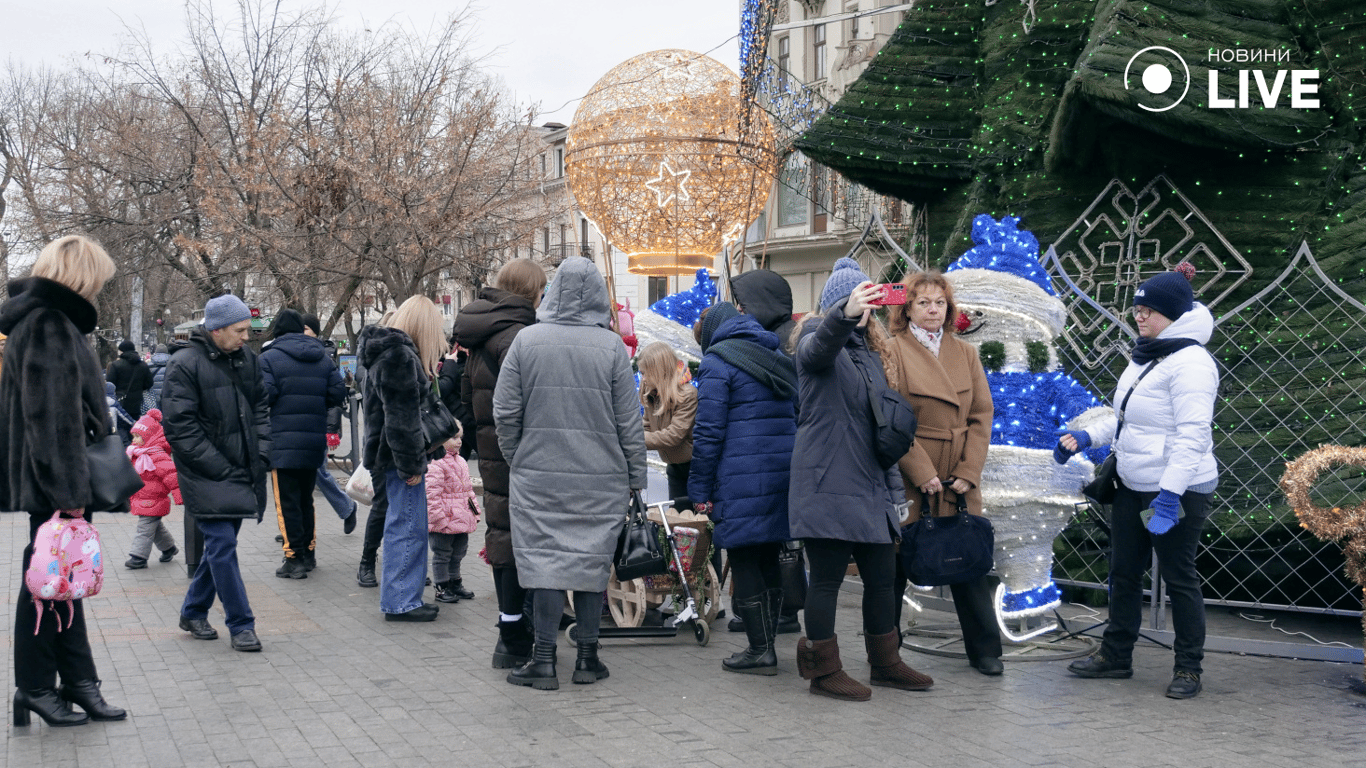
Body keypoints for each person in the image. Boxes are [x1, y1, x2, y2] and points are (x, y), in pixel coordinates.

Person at [1056, 267, 1218, 699]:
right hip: (1132, 482)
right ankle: (1116, 655)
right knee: (1124, 572)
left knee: (1179, 576)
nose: (1139, 317)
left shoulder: (1192, 363)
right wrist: (1090, 436)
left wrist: (1169, 494)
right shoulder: (1149, 352)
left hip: (1175, 489)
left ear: (1173, 313)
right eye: (1137, 309)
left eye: (1147, 310)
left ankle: (1188, 668)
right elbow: (1129, 416)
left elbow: (1193, 436)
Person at [494, 256, 647, 690]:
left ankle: (543, 661)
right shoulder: (612, 348)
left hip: (538, 477)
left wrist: (518, 457)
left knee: (545, 564)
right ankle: (587, 660)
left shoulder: (527, 341)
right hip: (601, 479)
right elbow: (628, 422)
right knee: (589, 563)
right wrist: (635, 476)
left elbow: (504, 412)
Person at [788, 257, 932, 702]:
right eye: (858, 303)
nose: (866, 312)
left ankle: (886, 662)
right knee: (827, 578)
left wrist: (894, 492)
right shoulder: (816, 340)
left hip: (869, 485)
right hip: (827, 480)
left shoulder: (869, 354)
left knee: (883, 576)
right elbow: (818, 349)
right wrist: (844, 314)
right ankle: (824, 671)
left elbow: (879, 427)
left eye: (868, 303)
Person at [0, 234, 126, 726]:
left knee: (60, 583)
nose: (99, 288)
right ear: (82, 275)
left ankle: (75, 683)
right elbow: (51, 418)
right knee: (45, 586)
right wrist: (70, 494)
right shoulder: (51, 324)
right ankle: (35, 687)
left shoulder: (46, 321)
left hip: (51, 480)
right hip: (56, 481)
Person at [884, 270, 1002, 675]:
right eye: (923, 303)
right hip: (912, 470)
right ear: (908, 309)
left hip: (958, 472)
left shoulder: (965, 352)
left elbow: (981, 415)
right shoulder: (892, 349)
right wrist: (921, 471)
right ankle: (887, 652)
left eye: (939, 303)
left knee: (968, 558)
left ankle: (986, 650)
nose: (932, 309)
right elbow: (890, 419)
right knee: (898, 566)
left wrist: (970, 470)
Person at [688, 302, 798, 676]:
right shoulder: (774, 353)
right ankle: (766, 644)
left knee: (746, 557)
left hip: (740, 476)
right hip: (782, 472)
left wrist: (699, 488)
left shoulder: (718, 362)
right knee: (768, 555)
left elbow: (708, 432)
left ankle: (759, 649)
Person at [164, 293, 271, 653]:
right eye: (240, 330)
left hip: (243, 470)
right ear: (217, 329)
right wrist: (222, 467)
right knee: (222, 545)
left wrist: (261, 453)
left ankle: (193, 611)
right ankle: (241, 624)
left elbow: (261, 408)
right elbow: (181, 429)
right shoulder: (184, 364)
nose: (246, 336)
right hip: (205, 473)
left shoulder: (247, 360)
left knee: (218, 548)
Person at [452, 258, 545, 668]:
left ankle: (510, 632)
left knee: (502, 534)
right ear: (532, 292)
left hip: (492, 454)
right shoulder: (519, 336)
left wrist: (483, 446)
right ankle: (517, 636)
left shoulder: (479, 333)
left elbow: (465, 401)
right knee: (523, 540)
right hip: (521, 453)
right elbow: (527, 402)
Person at [729, 269, 806, 635]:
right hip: (781, 455)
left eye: (744, 303)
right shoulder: (779, 335)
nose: (740, 310)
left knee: (774, 549)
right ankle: (773, 614)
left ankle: (775, 617)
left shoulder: (782, 341)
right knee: (777, 545)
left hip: (775, 456)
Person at [362, 295, 447, 622]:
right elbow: (401, 418)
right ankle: (401, 600)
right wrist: (411, 464)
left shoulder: (384, 351)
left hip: (385, 455)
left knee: (404, 525)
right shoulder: (399, 356)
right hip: (396, 458)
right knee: (408, 527)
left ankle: (401, 597)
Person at [260, 309, 345, 578]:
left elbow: (266, 395)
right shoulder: (322, 357)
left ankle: (293, 557)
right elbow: (337, 393)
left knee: (287, 503)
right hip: (313, 440)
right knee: (306, 499)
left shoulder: (268, 358)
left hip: (282, 441)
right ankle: (309, 553)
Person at [301, 313, 358, 533]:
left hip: (316, 425)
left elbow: (336, 396)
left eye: (305, 328)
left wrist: (331, 428)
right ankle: (294, 522)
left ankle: (347, 507)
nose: (301, 332)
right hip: (299, 425)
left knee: (318, 473)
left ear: (314, 331)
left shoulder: (323, 356)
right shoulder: (299, 352)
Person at [638, 341, 696, 500]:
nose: (642, 379)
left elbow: (674, 435)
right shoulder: (652, 394)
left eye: (645, 373)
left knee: (692, 517)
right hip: (673, 467)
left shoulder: (687, 394)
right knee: (675, 517)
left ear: (658, 371)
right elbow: (648, 427)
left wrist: (634, 438)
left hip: (694, 467)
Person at [426, 430, 479, 603]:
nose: (459, 442)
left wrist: (475, 512)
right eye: (454, 438)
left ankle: (455, 582)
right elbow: (431, 495)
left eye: (461, 438)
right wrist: (438, 519)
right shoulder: (436, 463)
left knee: (458, 553)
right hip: (444, 519)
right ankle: (442, 586)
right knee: (442, 554)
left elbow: (468, 491)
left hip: (461, 518)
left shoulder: (461, 461)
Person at [124, 408, 181, 569]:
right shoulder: (135, 453)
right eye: (133, 436)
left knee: (144, 529)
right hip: (141, 497)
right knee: (154, 528)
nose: (134, 441)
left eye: (138, 437)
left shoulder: (157, 455)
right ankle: (169, 548)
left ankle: (138, 557)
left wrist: (179, 495)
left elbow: (171, 475)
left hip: (154, 499)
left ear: (151, 438)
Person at [437, 342, 477, 460]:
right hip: (463, 419)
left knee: (457, 461)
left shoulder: (465, 361)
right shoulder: (450, 362)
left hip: (463, 418)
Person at [107, 339, 152, 427]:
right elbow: (149, 383)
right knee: (135, 431)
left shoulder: (115, 365)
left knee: (122, 431)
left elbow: (110, 384)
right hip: (138, 405)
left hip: (120, 405)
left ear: (122, 351)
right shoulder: (143, 365)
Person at [146, 344, 172, 413]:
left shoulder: (149, 365)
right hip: (168, 395)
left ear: (156, 352)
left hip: (153, 396)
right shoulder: (172, 364)